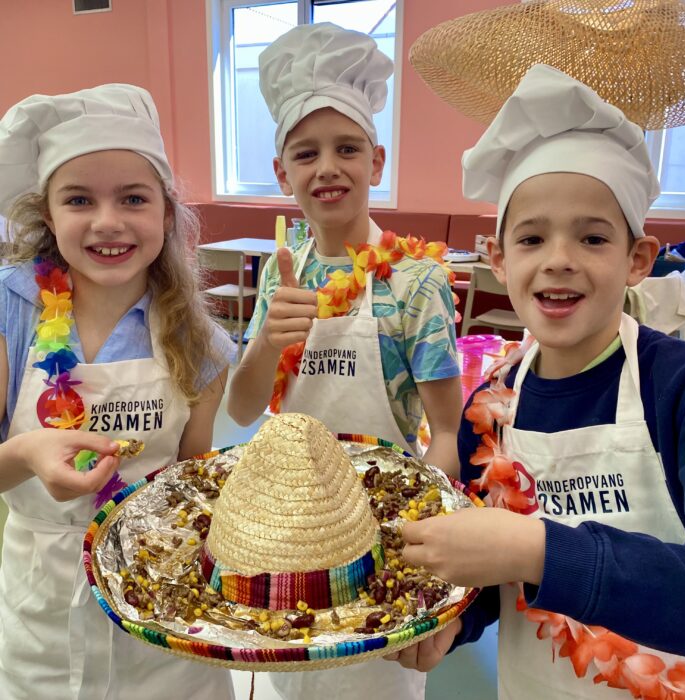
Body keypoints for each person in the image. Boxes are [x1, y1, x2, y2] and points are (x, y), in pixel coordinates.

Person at [388, 64, 685, 698]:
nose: (559, 258)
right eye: (532, 237)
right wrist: (449, 624)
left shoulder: (681, 389)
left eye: (592, 236)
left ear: (637, 258)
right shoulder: (491, 409)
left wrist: (538, 549)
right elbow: (486, 574)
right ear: (499, 260)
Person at [227, 22, 463, 700]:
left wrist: (419, 550)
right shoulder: (281, 274)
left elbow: (445, 433)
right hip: (289, 528)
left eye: (346, 148)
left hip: (382, 525)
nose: (326, 166)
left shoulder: (415, 280)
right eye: (306, 153)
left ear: (376, 162)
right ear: (283, 173)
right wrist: (270, 338)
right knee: (293, 678)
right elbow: (243, 410)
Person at [0, 84, 236, 699]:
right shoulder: (11, 311)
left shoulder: (198, 339)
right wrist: (25, 455)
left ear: (165, 212)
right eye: (79, 199)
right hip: (44, 614)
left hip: (164, 614)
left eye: (133, 198)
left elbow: (194, 478)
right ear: (48, 215)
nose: (108, 222)